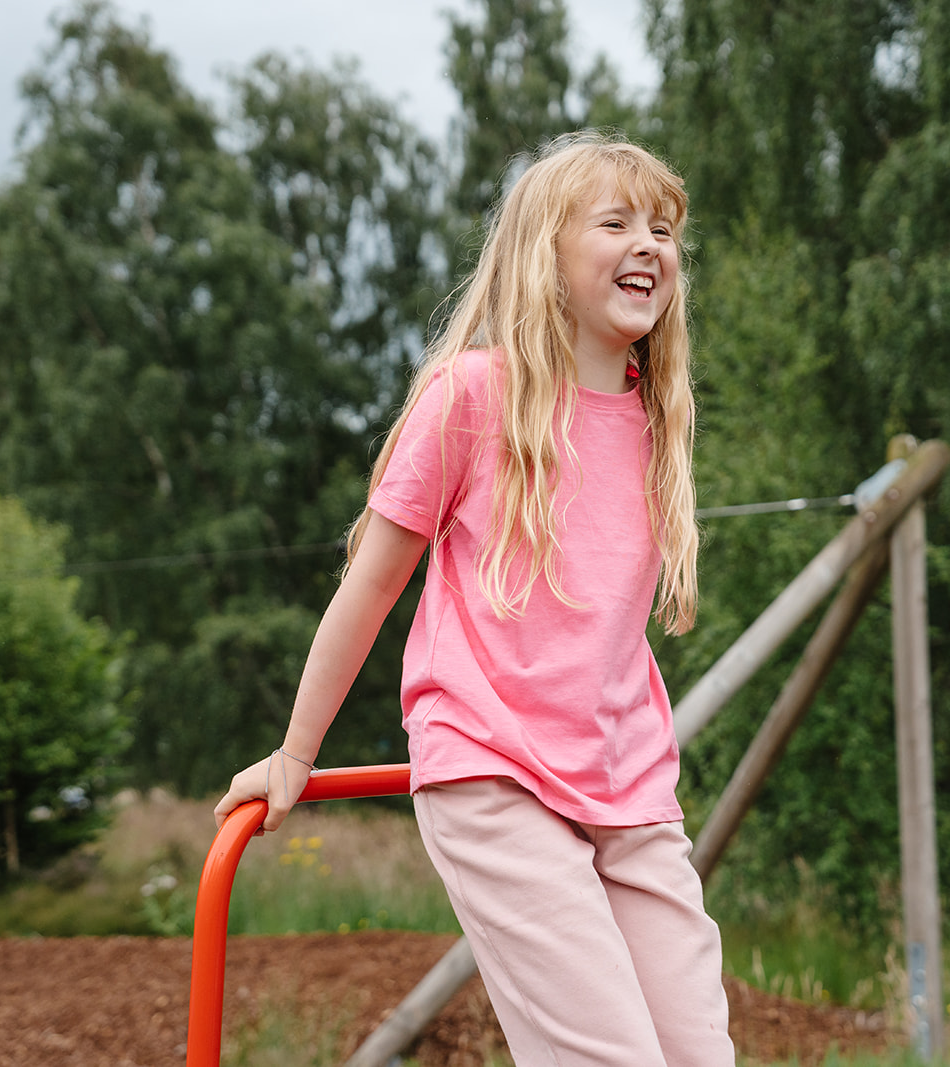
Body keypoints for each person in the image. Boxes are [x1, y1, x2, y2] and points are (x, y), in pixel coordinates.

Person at [213, 131, 736, 1067]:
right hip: (493, 767)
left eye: (663, 229)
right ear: (547, 257)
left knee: (699, 1055)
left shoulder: (659, 416)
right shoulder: (469, 398)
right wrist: (295, 753)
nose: (650, 244)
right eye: (615, 222)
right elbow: (369, 588)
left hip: (628, 784)